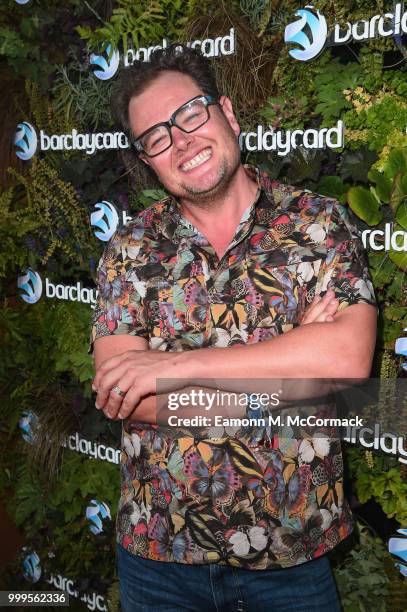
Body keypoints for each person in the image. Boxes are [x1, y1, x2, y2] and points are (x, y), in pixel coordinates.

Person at [90, 45, 377, 611]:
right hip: (159, 554)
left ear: (227, 113)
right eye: (157, 137)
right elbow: (125, 394)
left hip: (291, 552)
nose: (182, 141)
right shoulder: (129, 249)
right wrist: (290, 373)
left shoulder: (319, 223)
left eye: (192, 114)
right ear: (147, 159)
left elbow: (346, 357)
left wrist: (176, 364)